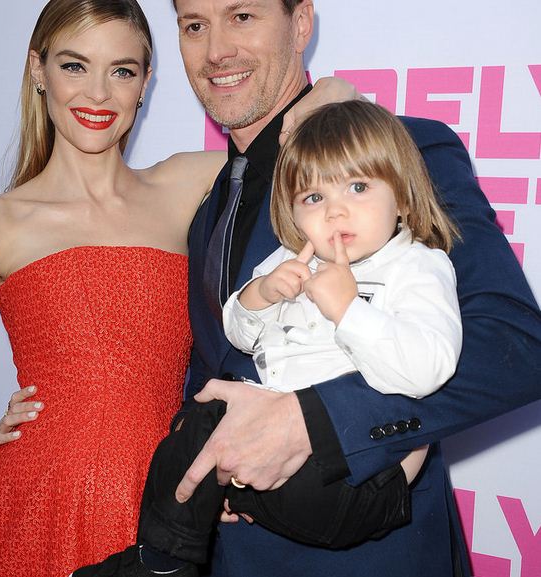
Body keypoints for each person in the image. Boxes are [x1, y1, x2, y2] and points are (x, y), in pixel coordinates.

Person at [0, 1, 352, 575]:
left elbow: (310, 136)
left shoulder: (189, 183)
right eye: (74, 66)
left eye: (122, 71)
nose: (98, 93)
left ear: (145, 84)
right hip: (42, 498)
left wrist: (332, 92)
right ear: (38, 71)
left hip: (164, 493)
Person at [149, 1, 540, 576]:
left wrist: (313, 419)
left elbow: (512, 347)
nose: (217, 51)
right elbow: (221, 359)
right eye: (194, 26)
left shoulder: (399, 151)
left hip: (368, 554)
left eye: (243, 15)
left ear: (301, 23)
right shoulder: (210, 199)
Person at [76, 99, 464, 577]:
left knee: (252, 469)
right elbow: (239, 335)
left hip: (356, 474)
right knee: (190, 434)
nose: (335, 211)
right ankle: (162, 562)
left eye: (358, 187)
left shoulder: (416, 266)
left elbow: (429, 368)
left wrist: (349, 310)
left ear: (402, 197)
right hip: (269, 461)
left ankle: (218, 502)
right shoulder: (291, 258)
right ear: (294, 213)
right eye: (314, 198)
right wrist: (259, 295)